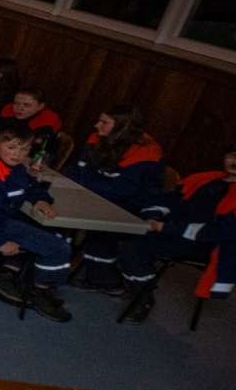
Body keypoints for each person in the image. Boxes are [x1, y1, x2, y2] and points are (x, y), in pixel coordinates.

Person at [116, 141, 236, 320]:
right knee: (119, 232)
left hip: (205, 243)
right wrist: (153, 216)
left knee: (135, 246)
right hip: (171, 229)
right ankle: (121, 282)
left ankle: (143, 298)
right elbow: (169, 199)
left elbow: (223, 231)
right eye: (233, 155)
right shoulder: (205, 178)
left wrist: (167, 228)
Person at [0, 122, 73, 322]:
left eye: (24, 149)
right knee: (58, 247)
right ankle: (39, 292)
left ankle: (5, 276)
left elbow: (28, 184)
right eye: (12, 147)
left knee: (51, 230)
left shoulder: (6, 164)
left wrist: (40, 199)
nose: (18, 154)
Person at [67, 105, 166, 291]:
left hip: (132, 208)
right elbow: (77, 170)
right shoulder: (98, 137)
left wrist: (85, 182)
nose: (97, 125)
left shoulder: (146, 152)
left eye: (104, 122)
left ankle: (107, 282)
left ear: (123, 127)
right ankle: (56, 264)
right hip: (98, 197)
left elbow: (122, 190)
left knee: (100, 227)